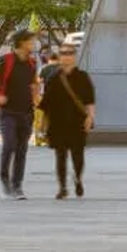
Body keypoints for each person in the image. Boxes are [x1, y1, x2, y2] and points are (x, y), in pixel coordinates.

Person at [38, 44, 95, 199]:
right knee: (60, 156)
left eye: (70, 53)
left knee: (78, 155)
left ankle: (77, 178)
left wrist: (90, 117)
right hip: (58, 123)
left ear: (74, 57)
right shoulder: (54, 78)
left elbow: (90, 100)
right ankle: (62, 187)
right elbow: (46, 104)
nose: (66, 56)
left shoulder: (83, 77)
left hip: (78, 122)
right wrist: (42, 126)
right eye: (63, 53)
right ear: (60, 57)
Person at [0, 30, 40, 200]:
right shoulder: (5, 61)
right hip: (9, 113)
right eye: (31, 41)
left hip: (26, 113)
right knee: (9, 145)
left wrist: (36, 98)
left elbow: (34, 84)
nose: (33, 44)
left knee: (21, 150)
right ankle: (5, 181)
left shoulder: (32, 63)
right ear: (21, 43)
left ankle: (17, 186)